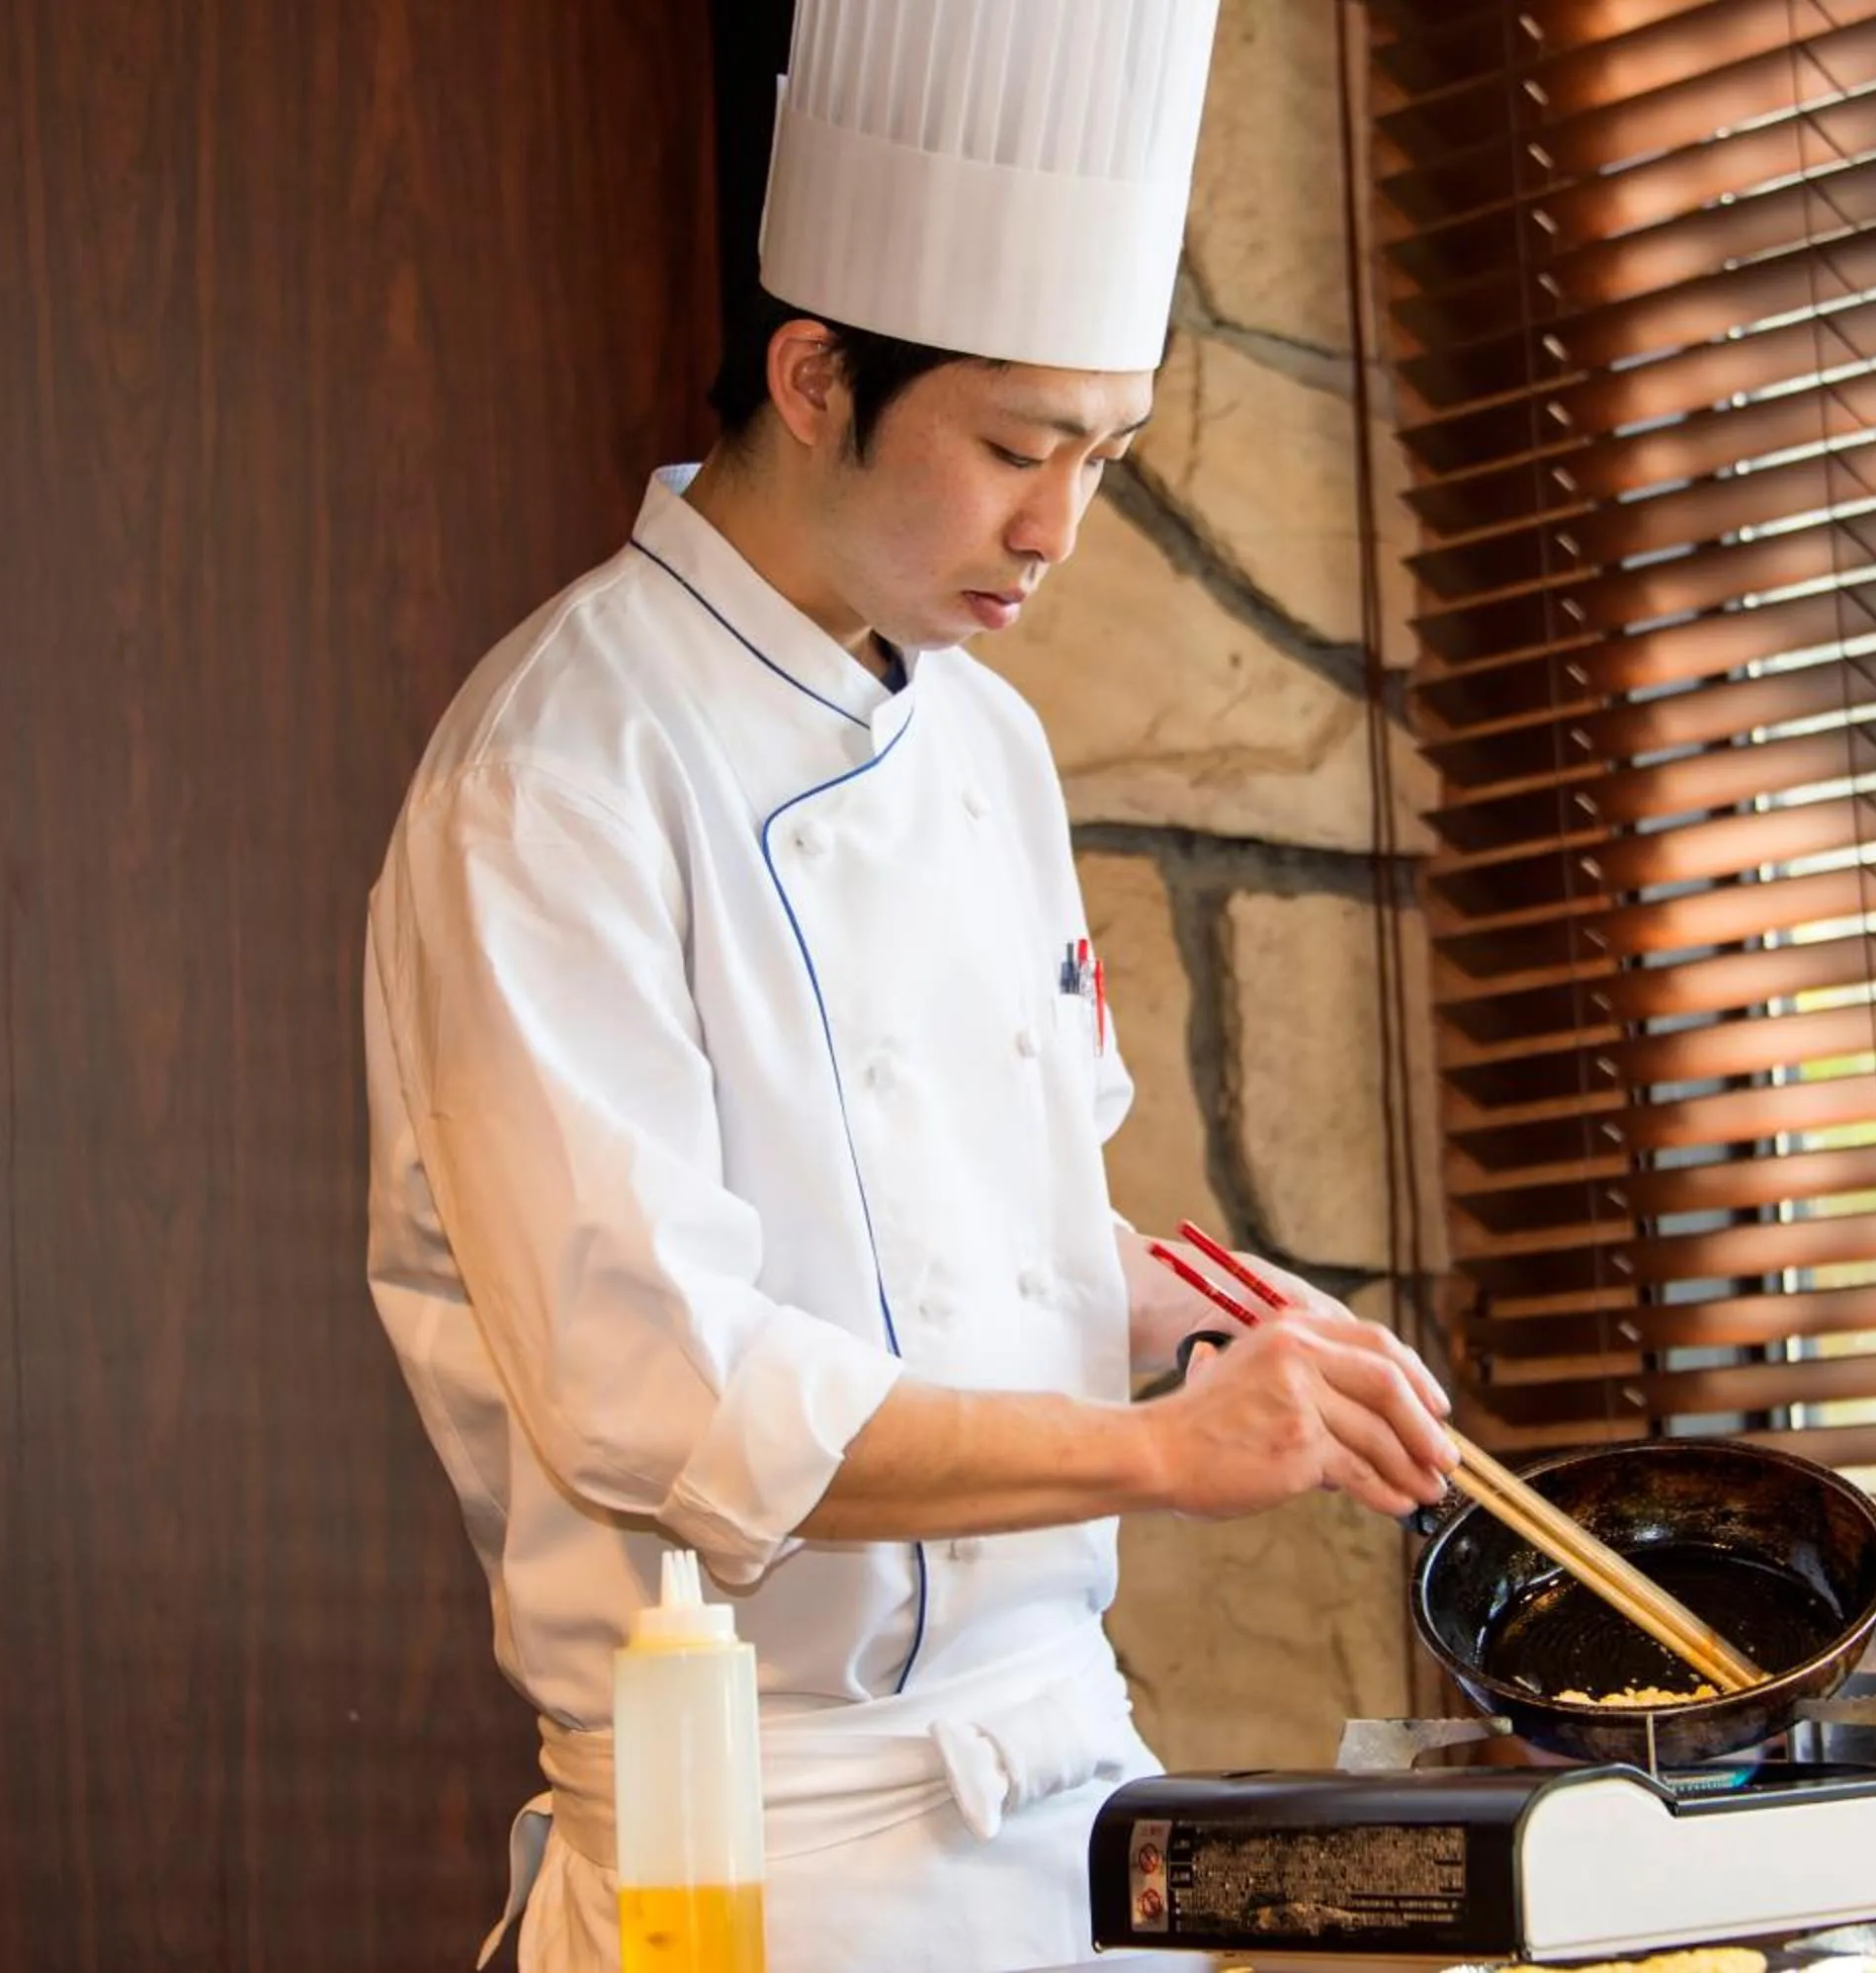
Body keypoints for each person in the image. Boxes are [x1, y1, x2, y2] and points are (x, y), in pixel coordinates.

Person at [360, 6, 1457, 1971]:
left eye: (1103, 458)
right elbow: (663, 1393)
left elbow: (1003, 1232)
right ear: (814, 373)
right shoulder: (553, 771)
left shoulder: (986, 750)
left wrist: (1242, 1320)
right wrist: (1154, 1451)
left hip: (1078, 1810)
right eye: (1016, 447)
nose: (1056, 529)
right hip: (768, 1851)